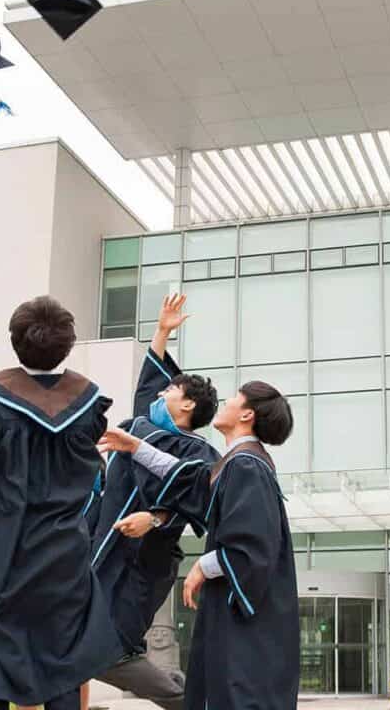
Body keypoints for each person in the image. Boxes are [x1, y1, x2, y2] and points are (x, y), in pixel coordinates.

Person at [0, 296, 123, 710]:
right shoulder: (88, 406)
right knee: (62, 667)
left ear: (15, 341)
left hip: (3, 557)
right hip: (65, 558)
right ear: (67, 346)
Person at [98, 381, 298, 710]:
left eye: (235, 397)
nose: (227, 401)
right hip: (230, 611)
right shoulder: (238, 463)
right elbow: (190, 480)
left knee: (238, 695)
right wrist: (136, 447)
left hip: (246, 620)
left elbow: (253, 548)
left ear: (246, 413)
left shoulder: (247, 466)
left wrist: (203, 566)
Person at [86, 294, 219, 710]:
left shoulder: (199, 452)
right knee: (75, 638)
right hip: (98, 545)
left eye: (170, 390)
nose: (160, 393)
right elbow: (148, 384)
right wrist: (162, 331)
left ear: (188, 404)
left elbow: (199, 497)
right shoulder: (143, 424)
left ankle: (187, 701)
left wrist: (157, 518)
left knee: (112, 650)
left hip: (143, 561)